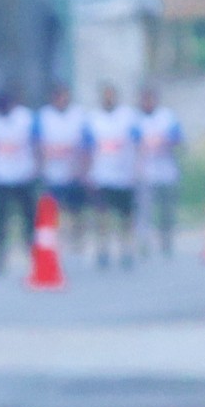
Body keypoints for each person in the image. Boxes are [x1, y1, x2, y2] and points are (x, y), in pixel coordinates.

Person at [81, 76, 136, 267]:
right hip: (101, 175)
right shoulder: (93, 119)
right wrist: (86, 173)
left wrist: (136, 170)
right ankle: (102, 250)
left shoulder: (128, 117)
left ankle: (126, 249)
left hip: (124, 177)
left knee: (125, 217)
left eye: (111, 95)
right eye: (106, 95)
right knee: (102, 216)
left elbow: (137, 145)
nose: (108, 98)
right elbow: (87, 149)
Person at [0, 87, 39, 264]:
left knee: (28, 216)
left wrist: (36, 166)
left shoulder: (25, 118)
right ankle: (0, 252)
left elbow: (35, 142)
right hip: (1, 176)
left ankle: (31, 250)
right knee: (0, 218)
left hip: (23, 175)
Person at [130, 82, 183, 261]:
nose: (147, 102)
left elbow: (177, 138)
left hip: (167, 171)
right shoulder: (136, 119)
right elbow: (134, 144)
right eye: (144, 99)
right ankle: (143, 241)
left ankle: (166, 239)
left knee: (166, 211)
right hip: (146, 172)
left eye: (150, 99)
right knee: (144, 210)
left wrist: (163, 142)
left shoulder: (167, 117)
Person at [32, 79, 85, 253]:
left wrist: (81, 168)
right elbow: (36, 143)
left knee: (74, 210)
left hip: (72, 173)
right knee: (53, 209)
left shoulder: (78, 116)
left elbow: (85, 144)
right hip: (51, 173)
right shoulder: (44, 116)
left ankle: (76, 241)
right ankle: (54, 242)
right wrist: (39, 167)